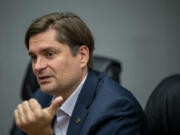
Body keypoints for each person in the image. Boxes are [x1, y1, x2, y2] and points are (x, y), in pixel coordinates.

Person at [14, 12, 147, 135]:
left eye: (50, 54)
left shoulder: (117, 111)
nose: (38, 66)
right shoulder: (41, 97)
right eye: (34, 57)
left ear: (82, 56)